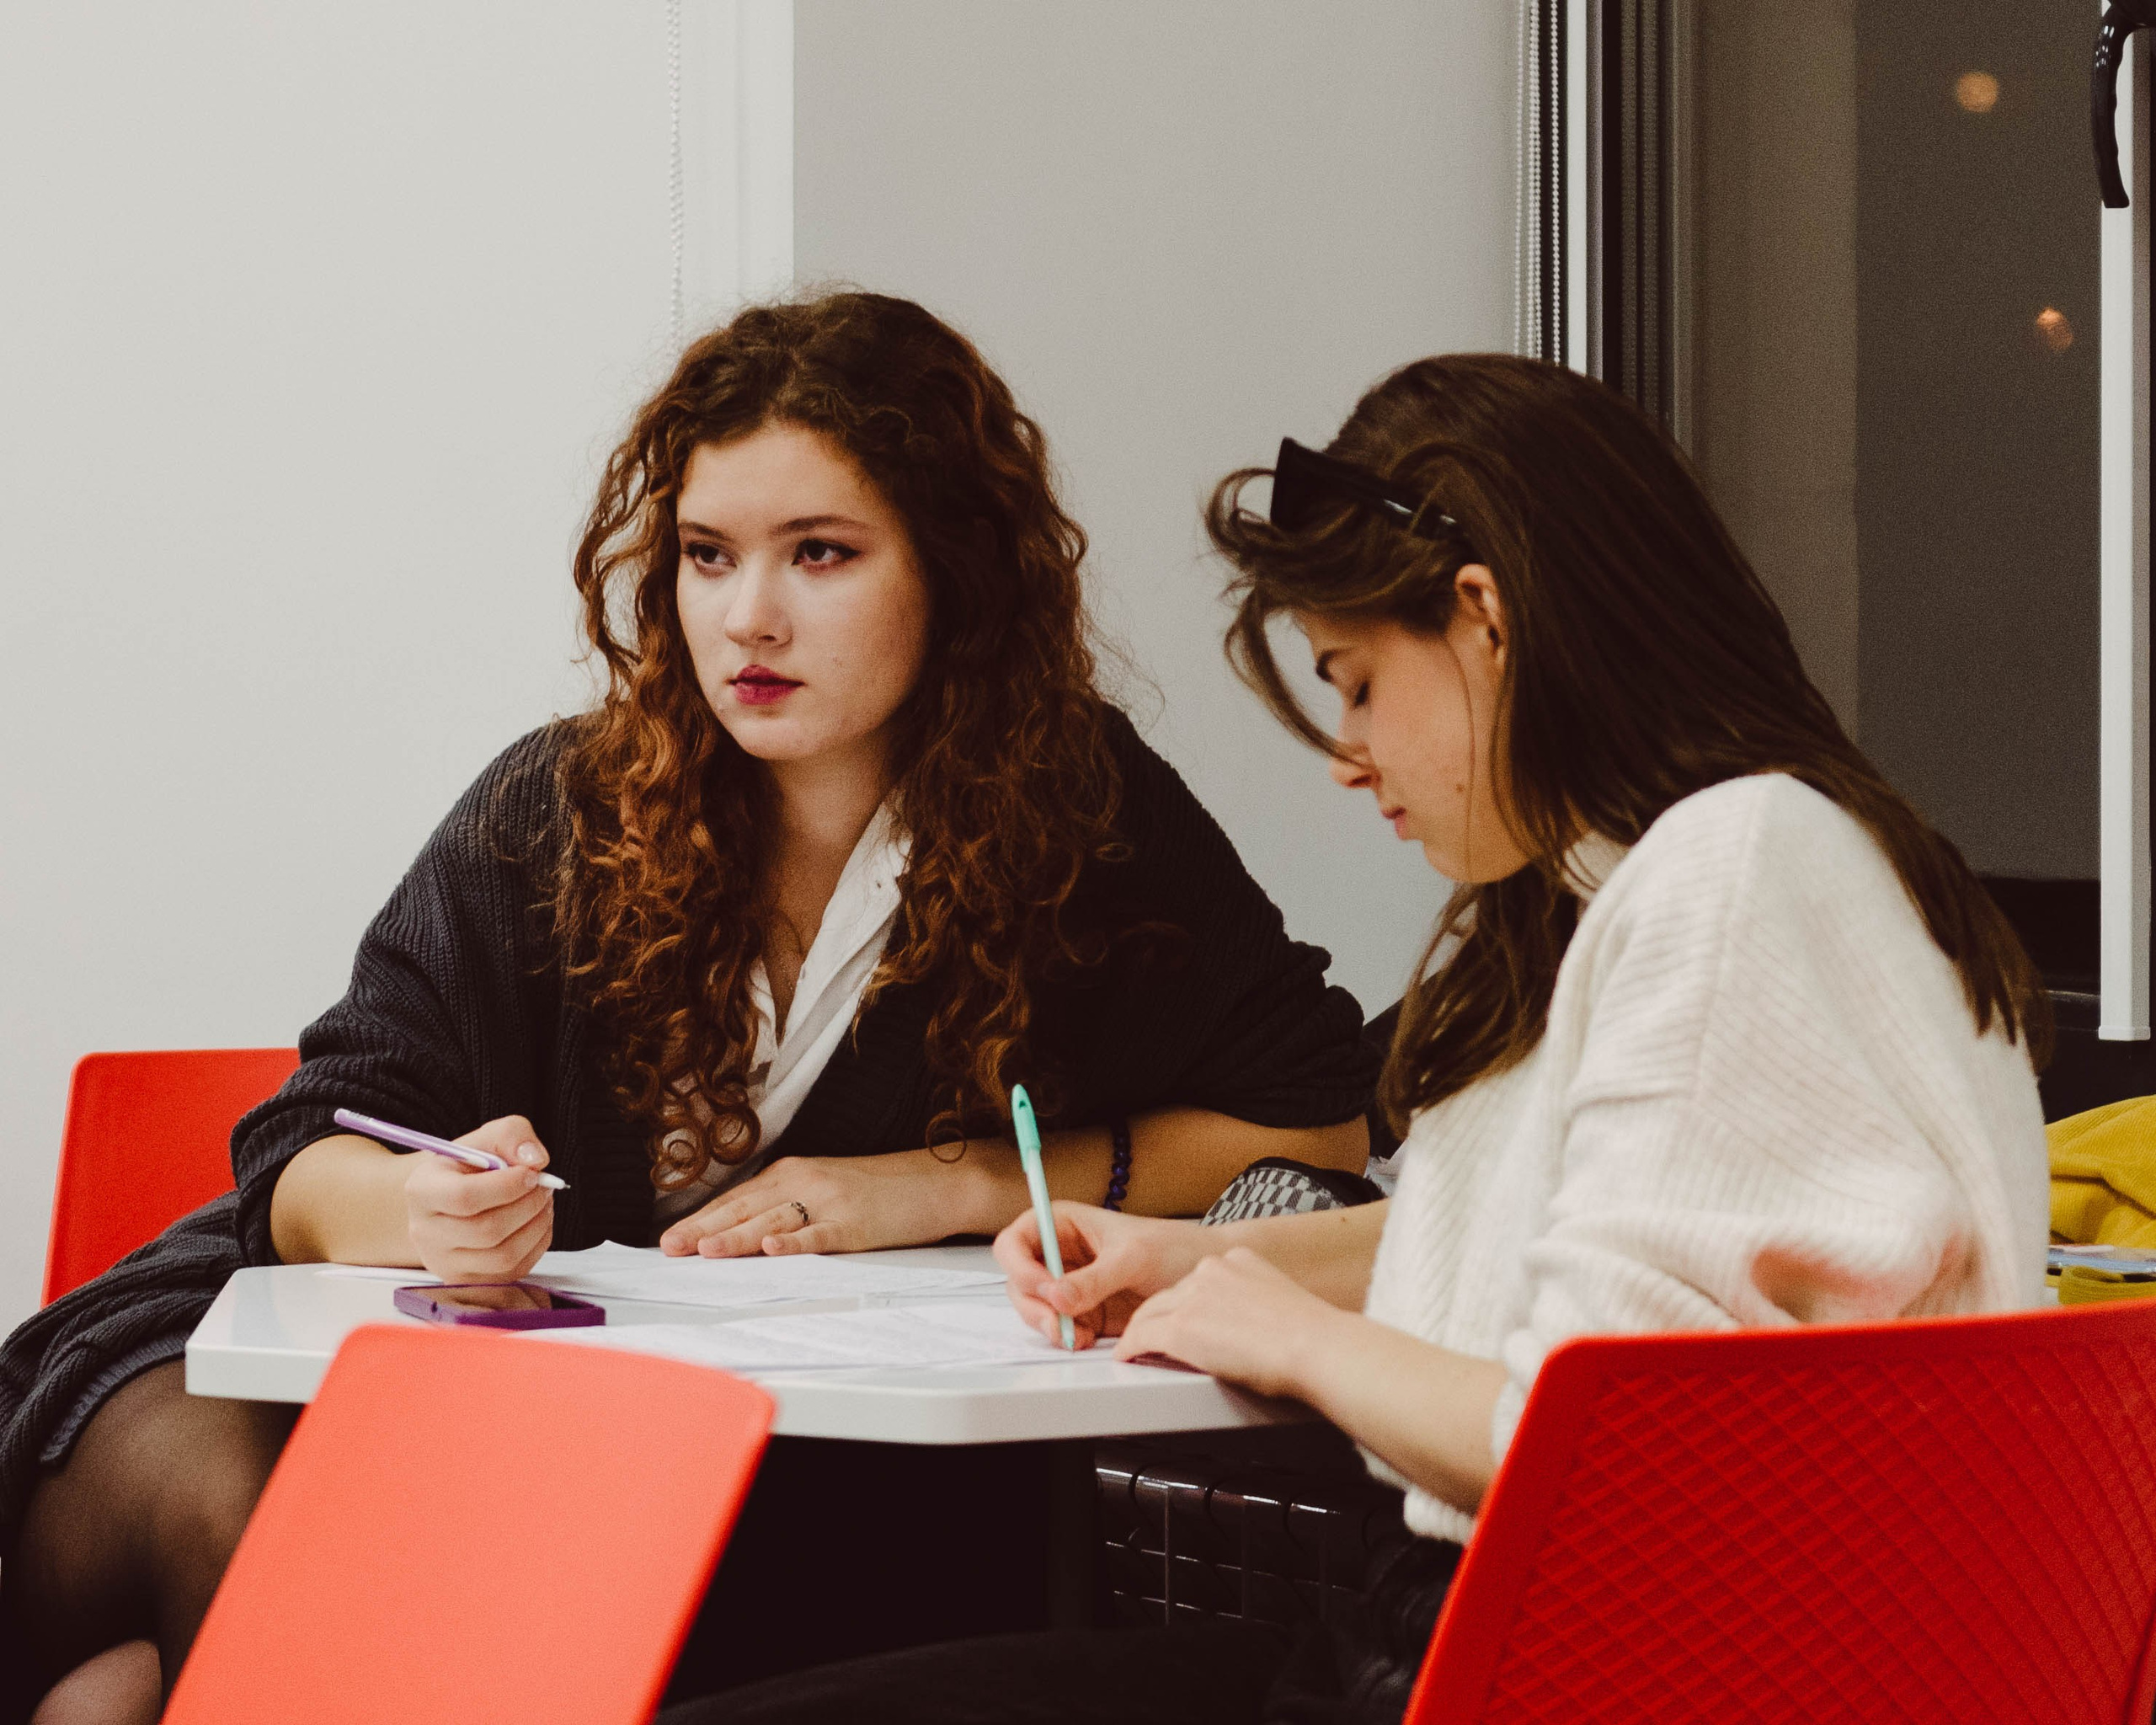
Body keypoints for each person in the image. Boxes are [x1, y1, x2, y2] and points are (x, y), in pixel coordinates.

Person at [0, 291, 1377, 1723]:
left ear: (957, 573)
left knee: (176, 1691)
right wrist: (426, 1211)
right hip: (287, 1415)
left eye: (821, 556)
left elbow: (1311, 1110)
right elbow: (296, 1163)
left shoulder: (1080, 821)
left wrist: (940, 1184)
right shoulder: (565, 808)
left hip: (761, 1479)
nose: (747, 619)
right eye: (707, 557)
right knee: (277, 1531)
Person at [659, 351, 2052, 1725]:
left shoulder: (1733, 878)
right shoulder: (1690, 878)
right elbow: (1573, 1259)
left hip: (1544, 1662)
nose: (1345, 752)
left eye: (1359, 682)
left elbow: (1605, 1449)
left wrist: (1294, 1342)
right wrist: (1213, 1261)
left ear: (1483, 618)